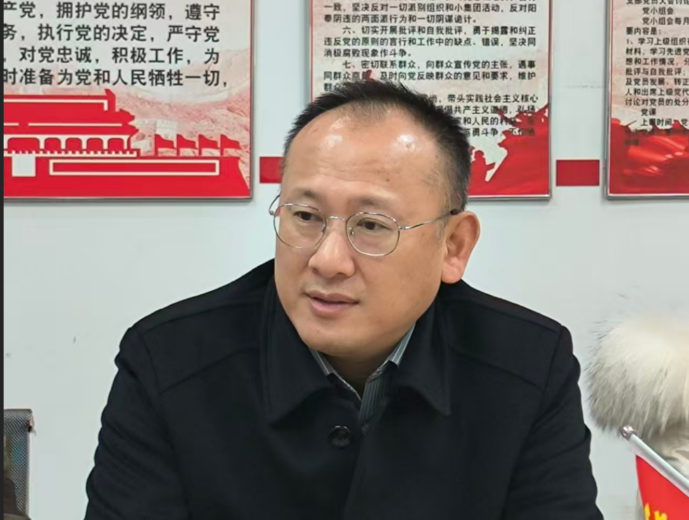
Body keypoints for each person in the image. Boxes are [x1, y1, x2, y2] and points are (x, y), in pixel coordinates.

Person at [85, 81, 602, 519]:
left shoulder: (527, 366)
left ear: (453, 246)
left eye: (372, 225)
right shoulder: (169, 362)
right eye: (305, 217)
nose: (328, 260)